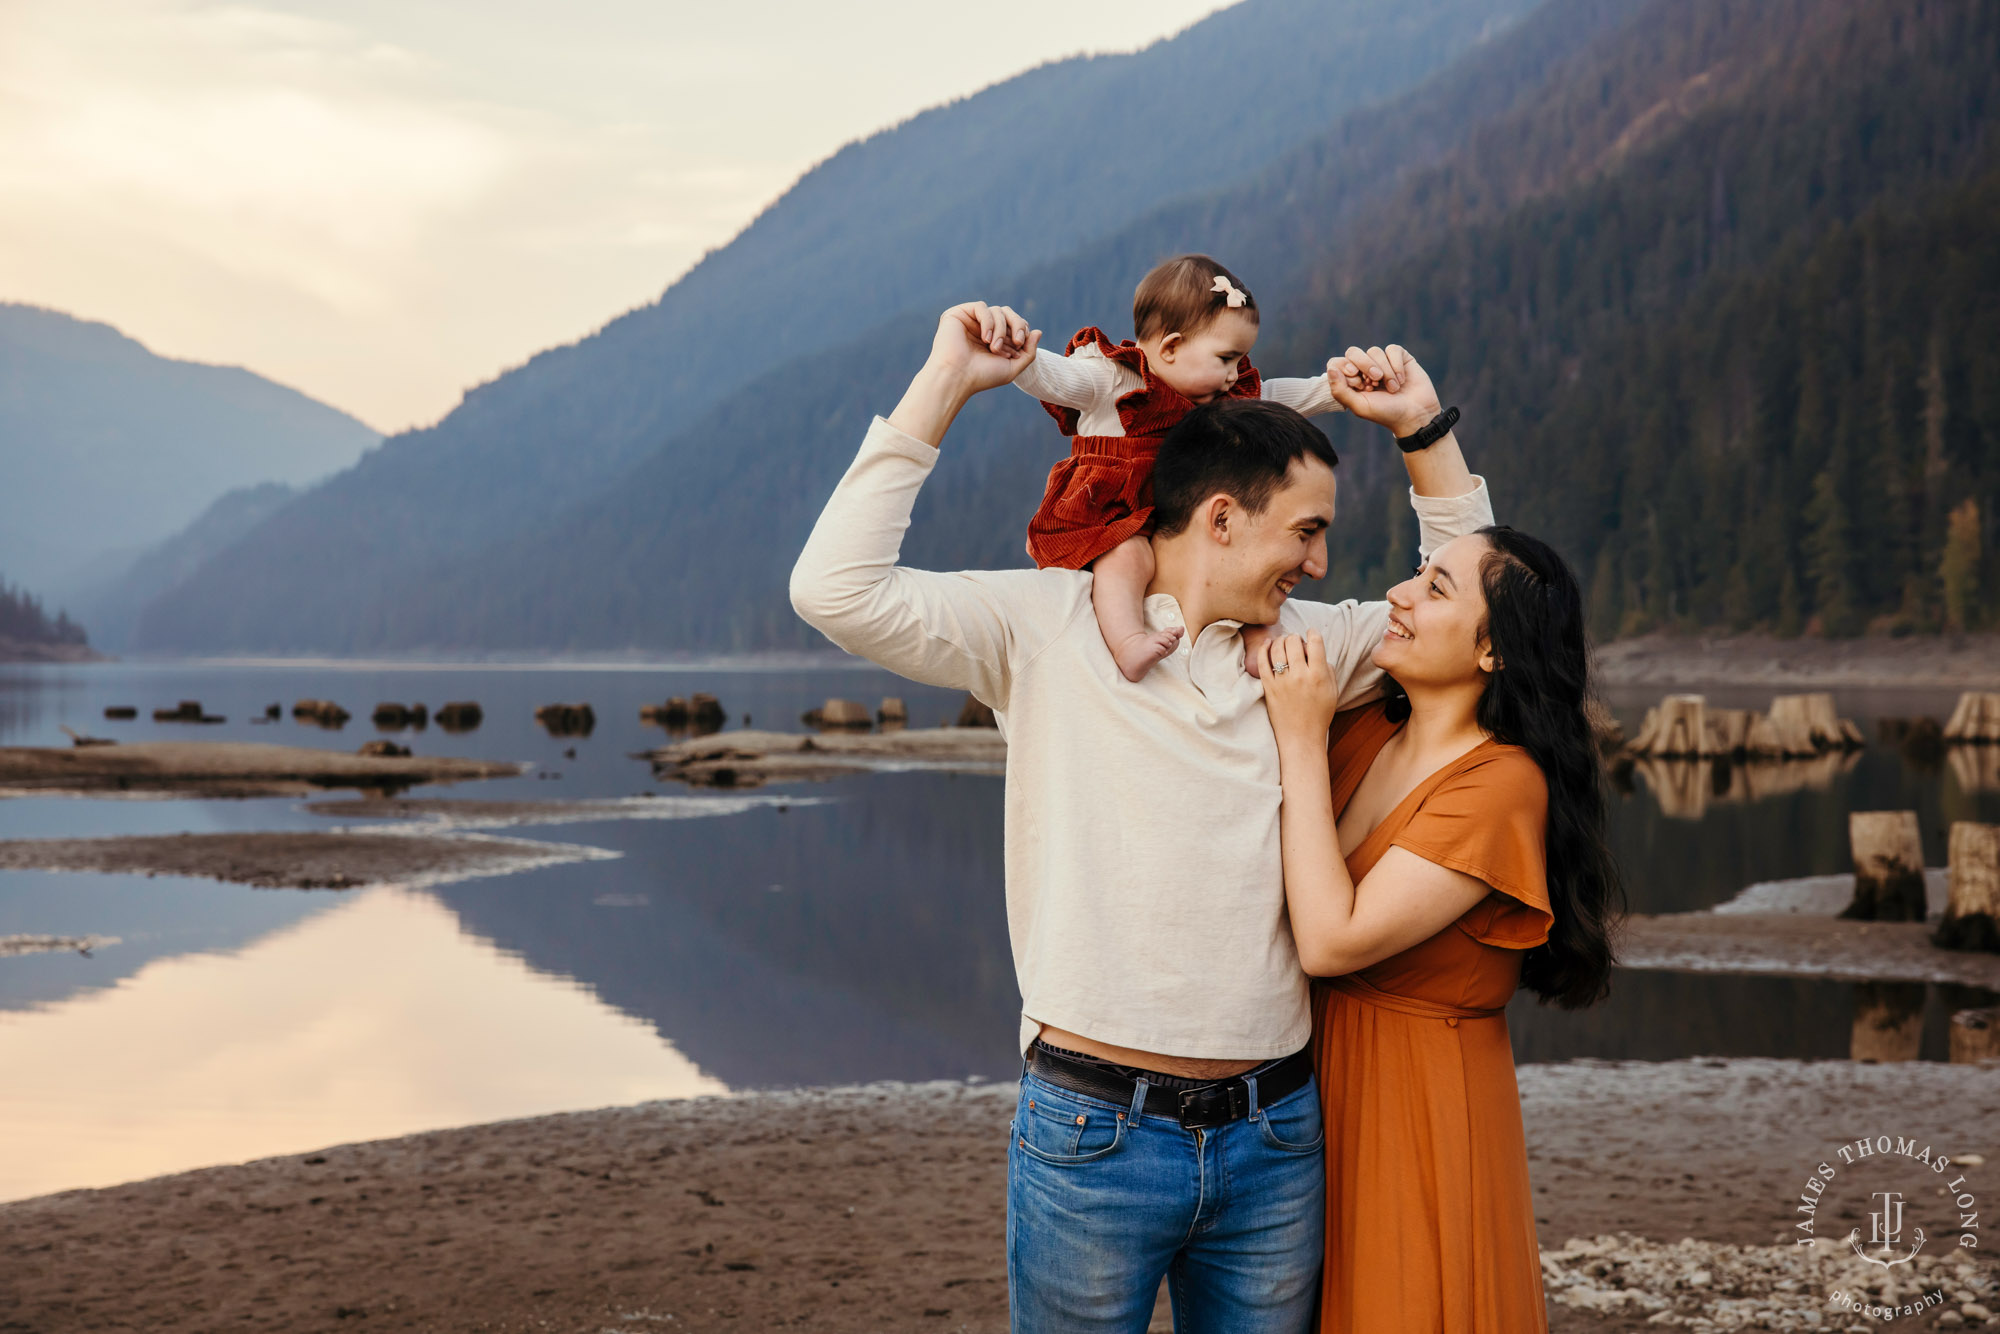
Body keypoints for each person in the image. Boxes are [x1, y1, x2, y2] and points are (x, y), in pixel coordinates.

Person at [789, 299, 1493, 1333]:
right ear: (1218, 516)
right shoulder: (1043, 623)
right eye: (1303, 532)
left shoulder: (1305, 647)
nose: (1315, 564)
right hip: (1088, 1133)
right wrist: (944, 381)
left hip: (1277, 1135)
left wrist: (1424, 434)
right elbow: (831, 589)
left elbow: (1478, 605)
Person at [1258, 523, 1623, 1333]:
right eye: (1415, 573)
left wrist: (1294, 738)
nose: (1399, 593)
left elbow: (1329, 941)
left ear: (1494, 652)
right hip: (1311, 1091)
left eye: (1436, 588)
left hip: (1417, 1104)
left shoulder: (1501, 785)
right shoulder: (1363, 732)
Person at [1011, 254, 1348, 682]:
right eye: (1226, 358)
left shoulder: (1214, 395)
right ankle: (1128, 640)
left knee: (1242, 567)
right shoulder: (1114, 379)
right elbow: (1057, 379)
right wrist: (1023, 359)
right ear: (1170, 347)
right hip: (1110, 513)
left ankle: (1260, 637)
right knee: (1128, 557)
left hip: (1174, 513)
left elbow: (1277, 396)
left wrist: (1331, 390)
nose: (1233, 375)